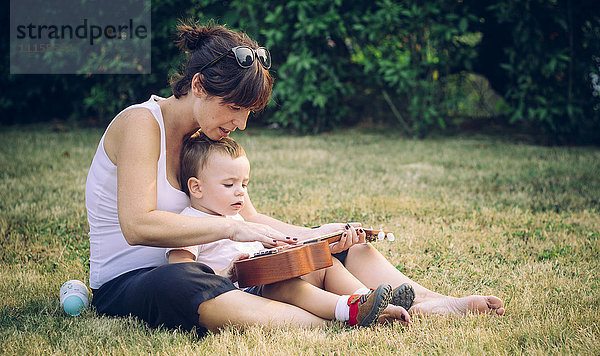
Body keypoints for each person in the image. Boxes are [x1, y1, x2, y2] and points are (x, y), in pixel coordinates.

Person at [85, 21, 503, 334]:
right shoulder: (141, 124)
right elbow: (137, 224)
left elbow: (251, 220)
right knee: (179, 280)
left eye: (248, 112)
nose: (241, 124)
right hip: (136, 280)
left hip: (215, 272)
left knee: (327, 249)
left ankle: (430, 303)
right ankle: (332, 323)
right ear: (198, 85)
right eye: (234, 107)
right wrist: (235, 229)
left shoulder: (205, 140)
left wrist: (316, 234)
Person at [165, 133, 412, 327]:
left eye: (244, 184)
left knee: (325, 264)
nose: (240, 191)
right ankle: (349, 310)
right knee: (285, 286)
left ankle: (369, 299)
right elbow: (182, 277)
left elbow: (265, 251)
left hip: (268, 280)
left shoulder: (238, 218)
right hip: (245, 295)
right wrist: (225, 273)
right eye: (229, 184)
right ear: (196, 188)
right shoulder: (189, 224)